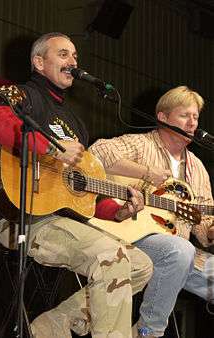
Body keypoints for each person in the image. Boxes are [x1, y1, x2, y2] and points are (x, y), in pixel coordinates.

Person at [0, 32, 153, 338]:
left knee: (141, 264)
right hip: (17, 218)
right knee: (111, 256)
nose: (73, 62)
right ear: (39, 62)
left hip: (60, 218)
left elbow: (85, 190)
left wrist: (119, 212)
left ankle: (55, 325)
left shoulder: (75, 122)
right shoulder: (22, 96)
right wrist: (52, 147)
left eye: (75, 56)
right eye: (63, 54)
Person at [89, 85, 214, 338]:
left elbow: (204, 229)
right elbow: (97, 153)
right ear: (163, 117)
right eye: (184, 115)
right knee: (181, 250)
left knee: (183, 251)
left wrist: (211, 230)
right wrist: (147, 175)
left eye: (196, 117)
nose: (192, 123)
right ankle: (149, 332)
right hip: (129, 238)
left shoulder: (197, 168)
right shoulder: (141, 144)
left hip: (179, 253)